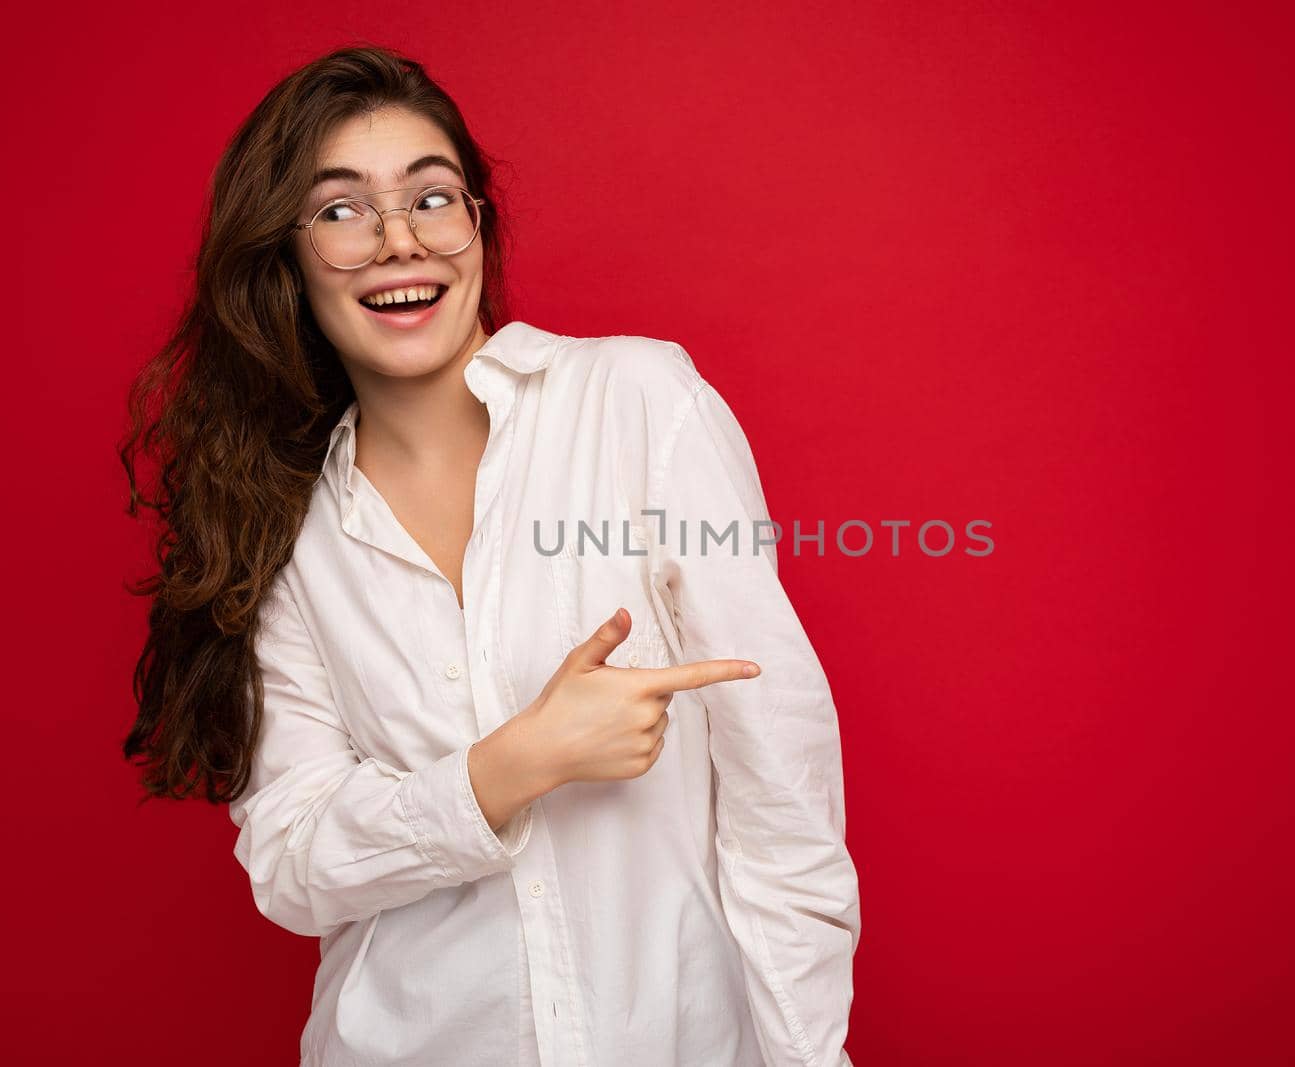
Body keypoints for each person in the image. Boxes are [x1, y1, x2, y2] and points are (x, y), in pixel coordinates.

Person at [119, 44, 860, 1067]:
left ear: (476, 221)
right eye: (338, 211)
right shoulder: (281, 531)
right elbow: (290, 863)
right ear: (282, 260)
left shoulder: (639, 404)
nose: (396, 241)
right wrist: (510, 767)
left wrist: (807, 1052)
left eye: (432, 196)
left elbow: (783, 782)